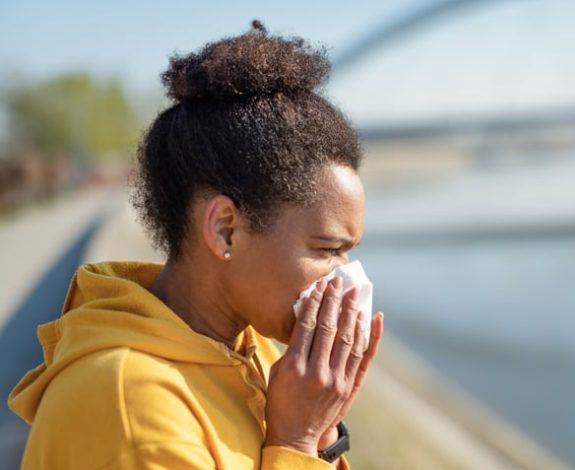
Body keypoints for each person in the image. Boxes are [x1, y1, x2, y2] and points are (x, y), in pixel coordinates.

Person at [8, 20, 384, 469]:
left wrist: (321, 435)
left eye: (349, 250)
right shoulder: (131, 410)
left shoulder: (253, 350)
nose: (347, 275)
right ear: (226, 229)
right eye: (327, 249)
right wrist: (297, 441)